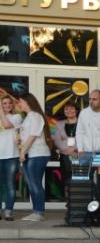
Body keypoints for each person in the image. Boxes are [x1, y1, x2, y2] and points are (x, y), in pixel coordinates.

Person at [14, 93, 51, 221]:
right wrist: (21, 143)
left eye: (20, 101)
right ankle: (36, 211)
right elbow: (28, 137)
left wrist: (23, 152)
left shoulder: (35, 116)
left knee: (35, 183)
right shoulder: (28, 117)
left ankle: (39, 212)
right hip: (31, 153)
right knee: (32, 184)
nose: (19, 104)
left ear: (28, 102)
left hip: (37, 154)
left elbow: (33, 136)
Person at [0, 92, 23, 220]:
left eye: (9, 103)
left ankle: (8, 211)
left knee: (9, 184)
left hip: (11, 156)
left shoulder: (16, 117)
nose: (7, 105)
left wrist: (0, 109)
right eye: (4, 103)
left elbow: (7, 125)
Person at [76, 89, 100, 153]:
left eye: (94, 99)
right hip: (85, 153)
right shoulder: (84, 113)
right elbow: (79, 132)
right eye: (90, 99)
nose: (91, 101)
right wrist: (80, 150)